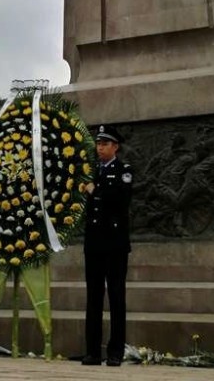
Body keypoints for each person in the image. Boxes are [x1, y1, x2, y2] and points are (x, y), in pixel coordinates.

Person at [82, 125, 132, 367]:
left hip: (114, 244)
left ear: (115, 147)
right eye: (98, 143)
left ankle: (115, 352)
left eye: (105, 144)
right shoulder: (89, 171)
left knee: (116, 297)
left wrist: (94, 190)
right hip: (93, 244)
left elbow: (120, 200)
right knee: (93, 298)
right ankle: (92, 351)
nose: (100, 147)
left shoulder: (124, 171)